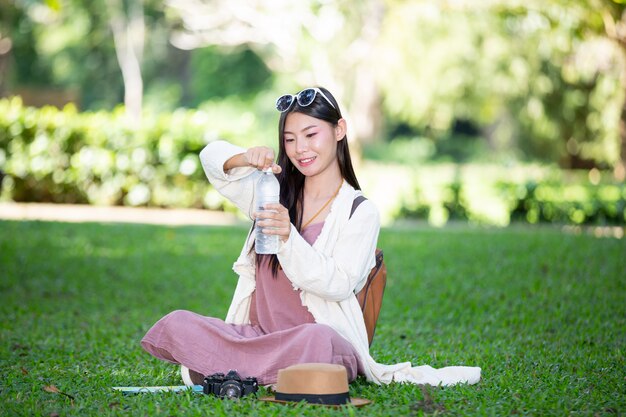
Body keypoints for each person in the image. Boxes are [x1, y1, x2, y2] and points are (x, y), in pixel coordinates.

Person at [141, 87, 481, 387]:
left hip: (319, 341)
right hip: (259, 337)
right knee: (179, 322)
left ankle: (225, 368)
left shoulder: (359, 211)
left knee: (317, 341)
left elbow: (336, 283)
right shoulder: (271, 192)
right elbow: (211, 159)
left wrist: (289, 238)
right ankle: (261, 369)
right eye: (289, 139)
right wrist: (245, 157)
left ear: (339, 131)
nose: (299, 148)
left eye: (310, 134)